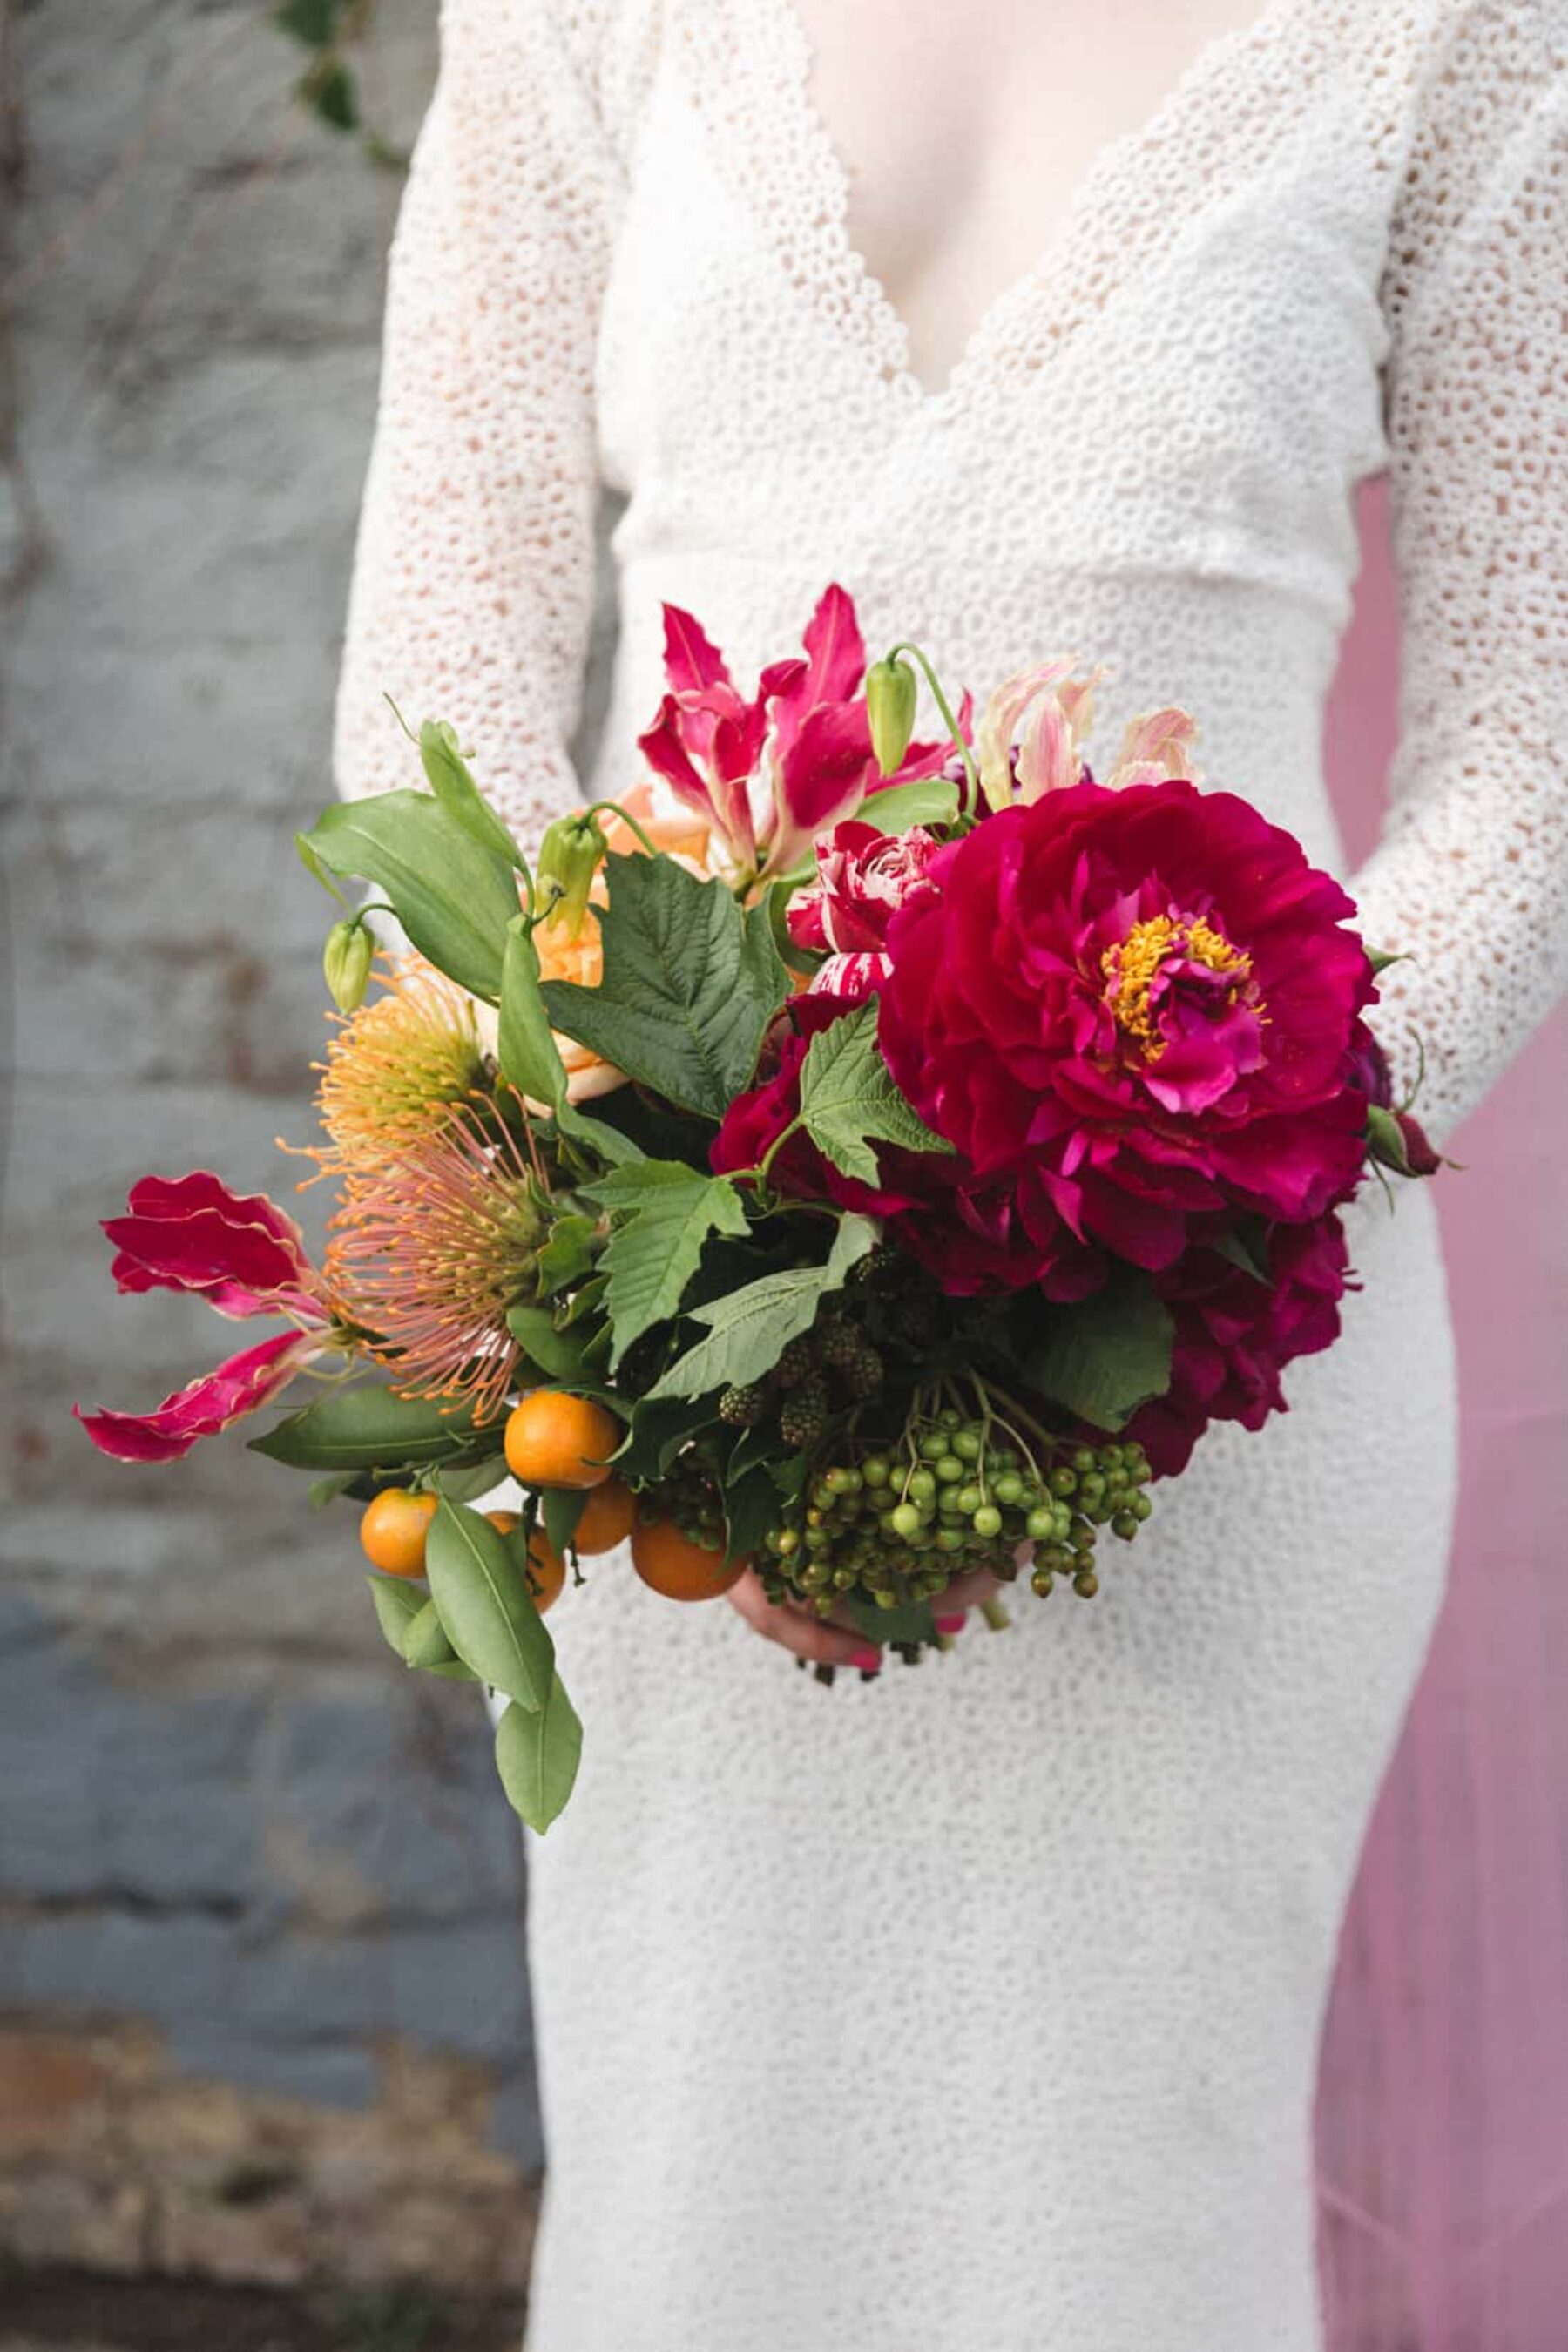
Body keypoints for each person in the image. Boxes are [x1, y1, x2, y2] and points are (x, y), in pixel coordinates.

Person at [332, 2, 1568, 2344]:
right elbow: (433, 690)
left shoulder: (1455, 40)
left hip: (1209, 1366)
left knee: (1126, 2220)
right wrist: (663, 1290)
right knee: (700, 2197)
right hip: (669, 1367)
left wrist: (1175, 1208)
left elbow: (1532, 752)